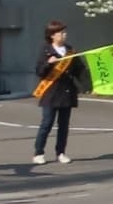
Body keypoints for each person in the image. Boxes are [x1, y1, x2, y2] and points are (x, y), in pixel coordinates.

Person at [31, 20, 91, 165]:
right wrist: (48, 63)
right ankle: (39, 153)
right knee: (47, 123)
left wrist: (88, 86)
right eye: (61, 33)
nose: (64, 35)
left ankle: (61, 152)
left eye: (64, 32)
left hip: (66, 92)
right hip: (51, 92)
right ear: (52, 35)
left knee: (64, 125)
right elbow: (39, 71)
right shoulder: (46, 50)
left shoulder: (70, 50)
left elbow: (79, 70)